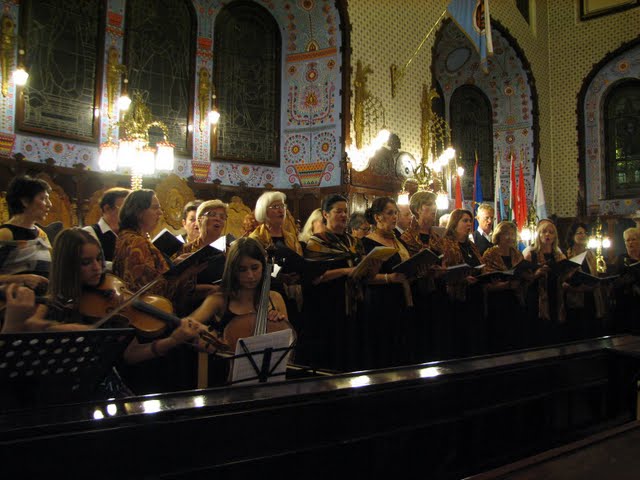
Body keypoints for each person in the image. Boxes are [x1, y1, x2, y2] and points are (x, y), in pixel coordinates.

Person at [12, 228, 212, 398]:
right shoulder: (52, 304)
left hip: (106, 388)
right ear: (67, 265)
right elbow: (28, 326)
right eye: (86, 262)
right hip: (61, 393)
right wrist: (62, 329)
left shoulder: (112, 296)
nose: (97, 268)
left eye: (99, 259)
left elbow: (131, 354)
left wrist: (173, 340)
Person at [184, 237, 291, 385]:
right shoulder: (219, 300)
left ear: (264, 266)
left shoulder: (275, 299)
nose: (250, 276)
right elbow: (185, 327)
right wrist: (204, 335)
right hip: (224, 381)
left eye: (255, 268)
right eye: (242, 269)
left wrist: (279, 323)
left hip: (269, 382)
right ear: (232, 270)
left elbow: (288, 346)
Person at [302, 194, 364, 371]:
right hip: (328, 303)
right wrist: (345, 271)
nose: (344, 215)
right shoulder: (317, 242)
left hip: (353, 301)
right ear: (326, 214)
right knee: (332, 351)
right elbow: (315, 277)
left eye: (346, 211)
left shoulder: (354, 241)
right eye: (338, 211)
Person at [112, 189, 197, 316]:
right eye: (155, 208)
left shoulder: (128, 237)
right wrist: (185, 272)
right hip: (146, 317)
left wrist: (174, 264)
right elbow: (150, 293)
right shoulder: (136, 242)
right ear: (139, 212)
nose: (160, 212)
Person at [361, 197, 413, 368]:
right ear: (377, 217)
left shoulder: (399, 240)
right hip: (380, 301)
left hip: (401, 299)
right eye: (390, 213)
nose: (394, 217)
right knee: (384, 351)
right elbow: (364, 277)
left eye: (396, 213)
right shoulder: (367, 242)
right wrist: (388, 278)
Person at [434, 208, 484, 358]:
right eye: (465, 221)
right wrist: (461, 278)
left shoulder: (472, 246)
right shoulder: (445, 244)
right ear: (454, 223)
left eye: (470, 221)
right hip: (455, 297)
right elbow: (442, 271)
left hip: (474, 294)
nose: (469, 224)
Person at [250, 191, 303, 324]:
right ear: (264, 211)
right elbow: (254, 269)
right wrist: (280, 276)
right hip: (269, 292)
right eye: (275, 207)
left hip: (293, 291)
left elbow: (299, 260)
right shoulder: (256, 239)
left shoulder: (290, 237)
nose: (281, 210)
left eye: (282, 206)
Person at [0, 175, 52, 291]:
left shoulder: (41, 234)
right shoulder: (5, 234)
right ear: (25, 201)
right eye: (43, 199)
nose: (49, 204)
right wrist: (22, 278)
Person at [482, 221, 529, 351]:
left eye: (513, 234)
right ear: (498, 235)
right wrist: (506, 285)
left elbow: (523, 274)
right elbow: (485, 282)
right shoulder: (490, 254)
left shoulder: (517, 254)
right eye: (506, 234)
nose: (510, 237)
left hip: (515, 299)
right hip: (498, 302)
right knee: (500, 339)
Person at [523, 219, 568, 346]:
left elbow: (564, 275)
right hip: (537, 298)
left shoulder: (559, 255)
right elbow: (523, 279)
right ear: (539, 234)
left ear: (555, 237)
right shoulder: (530, 254)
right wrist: (536, 274)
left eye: (551, 232)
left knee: (555, 334)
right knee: (539, 334)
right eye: (544, 232)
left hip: (555, 296)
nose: (547, 235)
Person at [563, 222, 606, 340]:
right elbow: (563, 280)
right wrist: (575, 287)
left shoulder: (590, 254)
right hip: (575, 298)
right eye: (579, 233)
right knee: (579, 332)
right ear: (572, 236)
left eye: (585, 233)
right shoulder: (567, 255)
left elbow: (594, 274)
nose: (583, 235)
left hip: (591, 296)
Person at [83, 187, 130, 270]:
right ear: (107, 208)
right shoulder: (89, 233)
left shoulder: (129, 234)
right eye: (124, 209)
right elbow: (90, 263)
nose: (128, 213)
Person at [611, 227, 640, 334]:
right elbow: (614, 281)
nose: (630, 242)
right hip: (626, 304)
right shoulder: (621, 259)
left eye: (633, 239)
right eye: (628, 240)